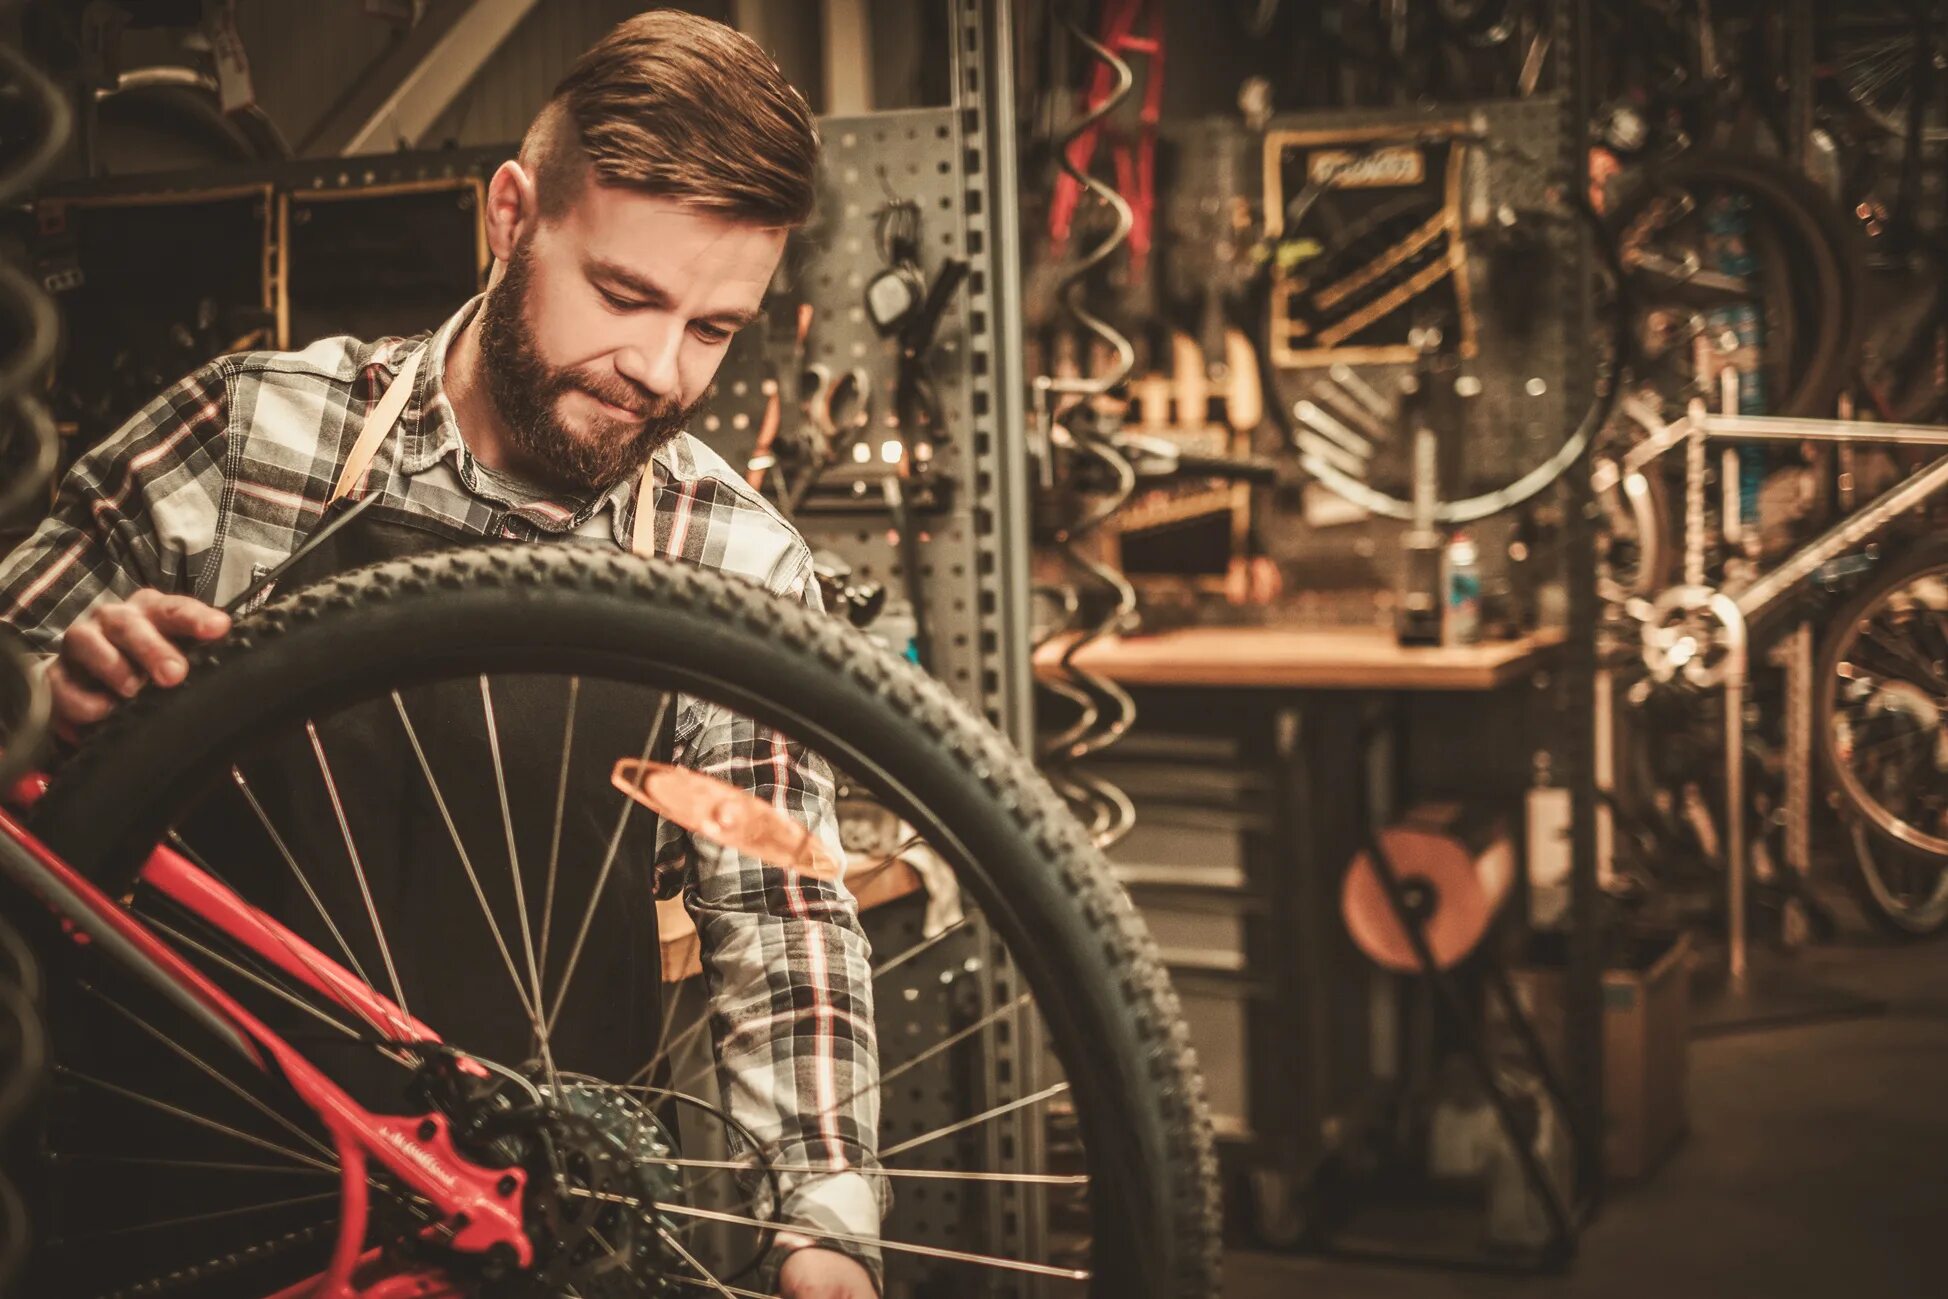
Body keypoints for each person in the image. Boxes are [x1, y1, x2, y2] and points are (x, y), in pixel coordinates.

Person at [0, 11, 880, 1297]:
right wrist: (46, 696)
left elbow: (782, 904)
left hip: (523, 1229)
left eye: (715, 330)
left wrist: (822, 1229)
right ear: (511, 216)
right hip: (185, 1205)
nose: (659, 372)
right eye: (626, 295)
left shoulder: (730, 559)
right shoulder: (255, 439)